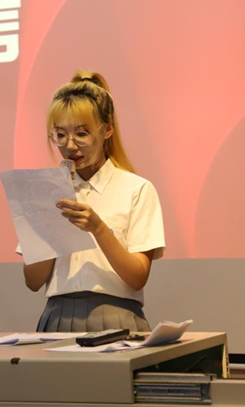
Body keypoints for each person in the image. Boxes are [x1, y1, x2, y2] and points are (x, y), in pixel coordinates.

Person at [22, 70, 166, 332]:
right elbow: (32, 281)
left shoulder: (137, 189)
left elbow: (137, 277)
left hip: (117, 318)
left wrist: (97, 228)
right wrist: (51, 225)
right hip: (56, 318)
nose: (70, 146)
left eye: (82, 133)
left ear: (107, 130)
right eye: (60, 135)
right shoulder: (46, 193)